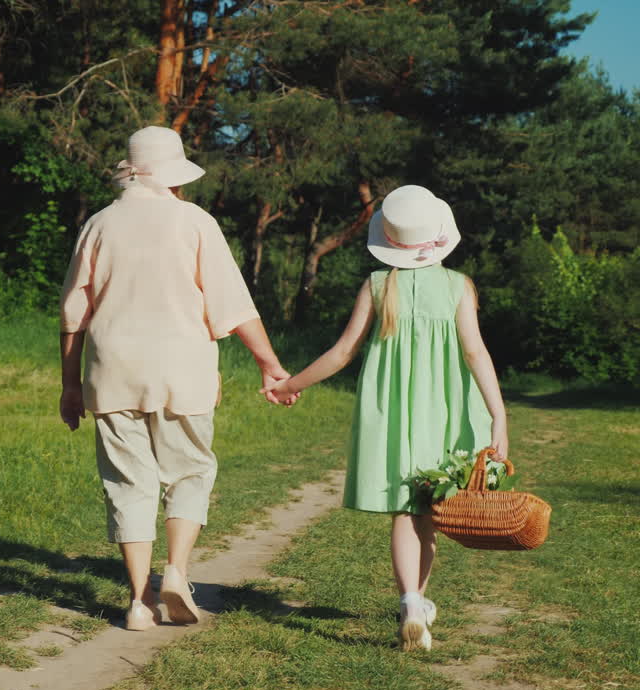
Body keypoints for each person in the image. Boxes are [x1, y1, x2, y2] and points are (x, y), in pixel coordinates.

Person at [59, 126, 295, 631]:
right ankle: (177, 572)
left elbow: (73, 314)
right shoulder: (195, 222)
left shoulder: (99, 224)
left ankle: (138, 602)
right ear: (174, 175)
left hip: (112, 370)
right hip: (181, 369)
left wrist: (70, 384)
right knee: (189, 472)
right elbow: (231, 306)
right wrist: (269, 363)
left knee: (128, 483)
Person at [263, 184, 508, 651]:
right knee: (430, 509)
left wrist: (289, 383)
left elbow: (341, 353)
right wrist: (498, 417)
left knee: (404, 508)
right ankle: (419, 601)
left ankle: (411, 601)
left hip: (394, 414)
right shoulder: (459, 287)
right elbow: (476, 354)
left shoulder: (379, 285)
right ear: (439, 236)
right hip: (447, 412)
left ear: (391, 242)